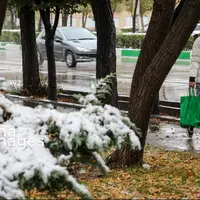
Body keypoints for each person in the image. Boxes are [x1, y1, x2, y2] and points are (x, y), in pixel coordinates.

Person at [188, 34, 200, 137]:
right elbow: (195, 61)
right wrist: (192, 78)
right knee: (198, 105)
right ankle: (192, 124)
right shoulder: (198, 41)